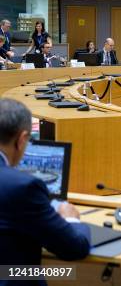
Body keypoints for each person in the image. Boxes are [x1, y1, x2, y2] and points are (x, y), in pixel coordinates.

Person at [0, 99, 91, 277]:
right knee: (66, 273)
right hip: (14, 277)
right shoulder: (23, 187)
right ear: (22, 139)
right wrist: (71, 220)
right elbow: (74, 249)